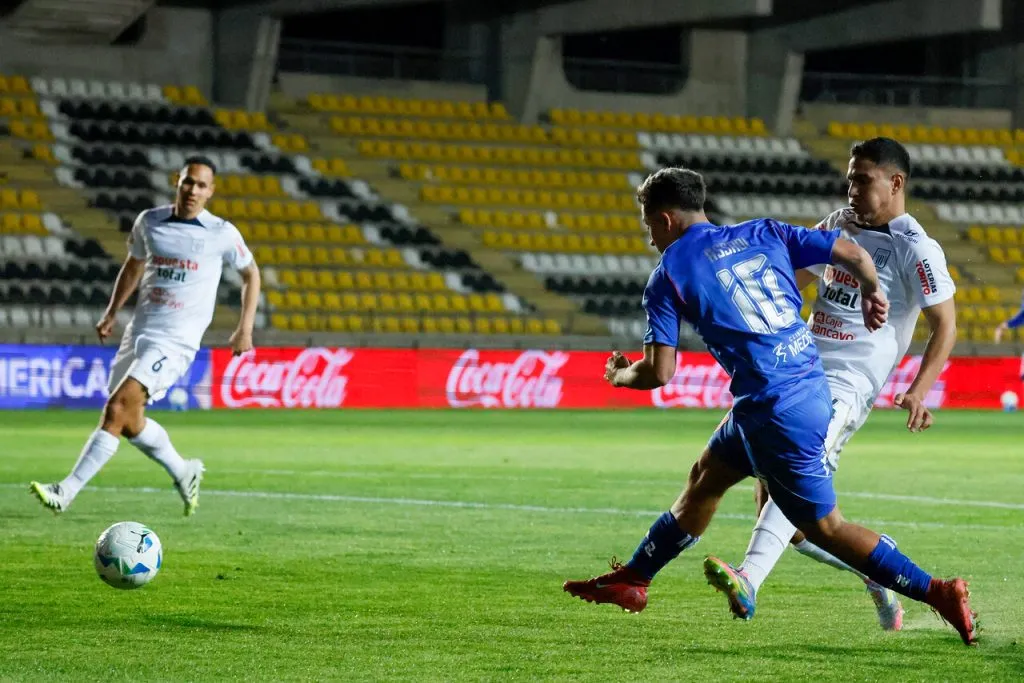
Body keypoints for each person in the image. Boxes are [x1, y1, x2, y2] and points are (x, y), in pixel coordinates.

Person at [561, 167, 977, 646]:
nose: (651, 238)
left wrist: (618, 375)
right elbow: (853, 251)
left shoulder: (668, 274)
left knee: (823, 528)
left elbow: (659, 372)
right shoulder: (765, 230)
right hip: (790, 392)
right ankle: (635, 578)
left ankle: (937, 591)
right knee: (704, 478)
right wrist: (870, 289)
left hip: (778, 410)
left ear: (668, 220)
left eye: (650, 225)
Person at [703, 137, 957, 631]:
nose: (852, 188)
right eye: (849, 178)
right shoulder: (838, 226)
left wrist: (919, 390)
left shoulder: (916, 248)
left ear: (895, 183)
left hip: (847, 382)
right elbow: (791, 280)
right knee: (800, 531)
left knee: (795, 482)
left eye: (863, 179)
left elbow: (944, 325)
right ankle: (875, 569)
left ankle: (749, 578)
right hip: (795, 373)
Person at [30, 155, 261, 516]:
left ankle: (67, 490)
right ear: (177, 181)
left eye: (202, 185)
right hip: (139, 333)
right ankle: (184, 471)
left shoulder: (222, 233)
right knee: (129, 420)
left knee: (116, 409)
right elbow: (133, 266)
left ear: (211, 191)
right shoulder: (149, 222)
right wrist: (111, 312)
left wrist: (244, 328)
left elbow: (252, 275)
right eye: (188, 182)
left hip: (176, 340)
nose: (193, 190)